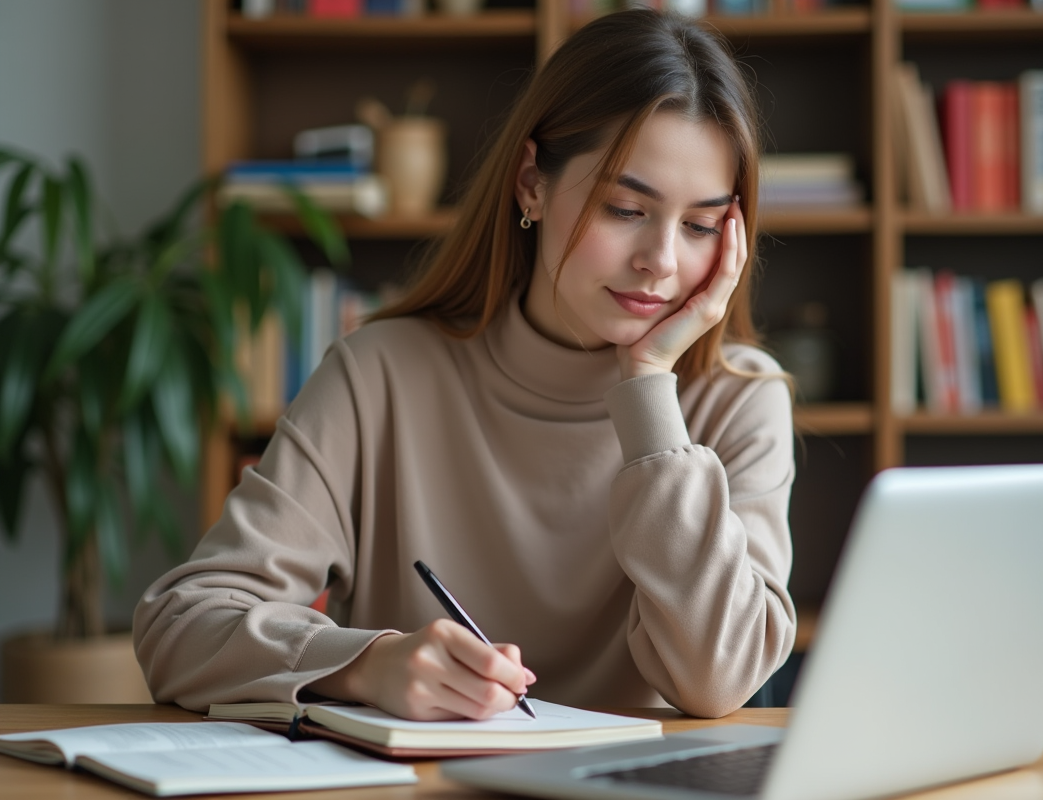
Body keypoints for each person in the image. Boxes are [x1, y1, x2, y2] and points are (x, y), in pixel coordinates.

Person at [133, 8, 797, 722]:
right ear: (531, 184)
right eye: (625, 208)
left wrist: (648, 393)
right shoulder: (379, 375)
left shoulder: (739, 398)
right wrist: (366, 664)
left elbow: (718, 681)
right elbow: (180, 624)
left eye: (700, 225)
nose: (662, 262)